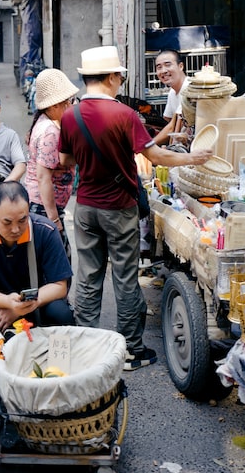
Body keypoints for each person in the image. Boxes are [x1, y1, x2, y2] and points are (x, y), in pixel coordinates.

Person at [59, 45, 213, 371]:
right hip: (118, 207)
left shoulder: (70, 116)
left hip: (85, 207)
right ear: (113, 77)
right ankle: (130, 351)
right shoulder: (124, 115)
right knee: (126, 279)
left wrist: (89, 159)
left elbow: (64, 160)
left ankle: (86, 350)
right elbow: (155, 156)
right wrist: (193, 158)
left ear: (87, 78)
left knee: (88, 279)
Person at [0, 181, 75, 332]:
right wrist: (8, 303)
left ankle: (55, 356)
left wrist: (20, 309)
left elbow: (59, 286)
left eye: (23, 220)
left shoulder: (45, 230)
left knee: (61, 315)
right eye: (7, 222)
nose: (15, 229)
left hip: (37, 302)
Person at [24, 68, 79, 262]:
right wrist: (54, 219)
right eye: (69, 102)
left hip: (42, 206)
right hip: (43, 207)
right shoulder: (49, 132)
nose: (71, 105)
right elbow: (43, 178)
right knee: (60, 260)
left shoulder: (45, 121)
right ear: (56, 105)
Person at [152, 50, 190, 146]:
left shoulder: (189, 89)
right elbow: (166, 120)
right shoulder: (172, 92)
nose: (163, 71)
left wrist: (147, 145)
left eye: (168, 65)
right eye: (159, 67)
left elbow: (172, 126)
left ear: (181, 66)